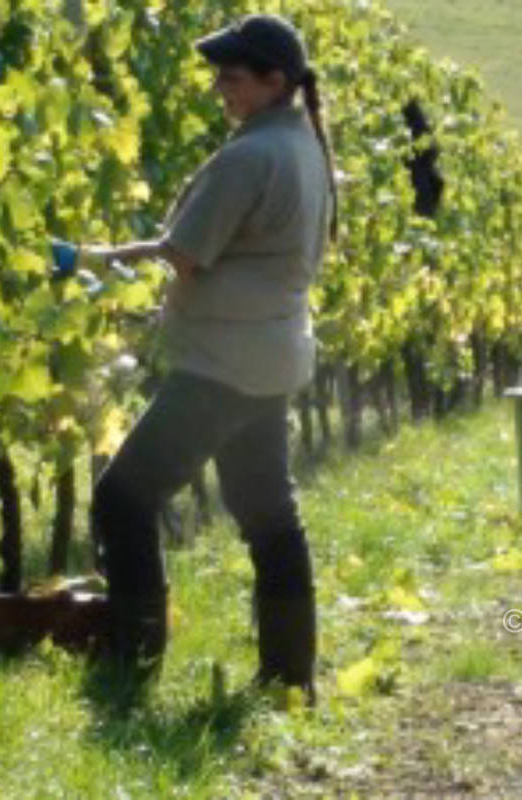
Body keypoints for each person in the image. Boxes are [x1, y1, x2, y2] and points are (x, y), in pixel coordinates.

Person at [74, 14, 337, 700]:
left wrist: (90, 260)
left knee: (123, 499)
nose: (220, 86)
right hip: (271, 357)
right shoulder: (303, 146)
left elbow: (183, 255)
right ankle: (290, 679)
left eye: (232, 75)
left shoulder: (250, 156)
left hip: (223, 364)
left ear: (275, 81)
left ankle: (131, 670)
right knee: (267, 514)